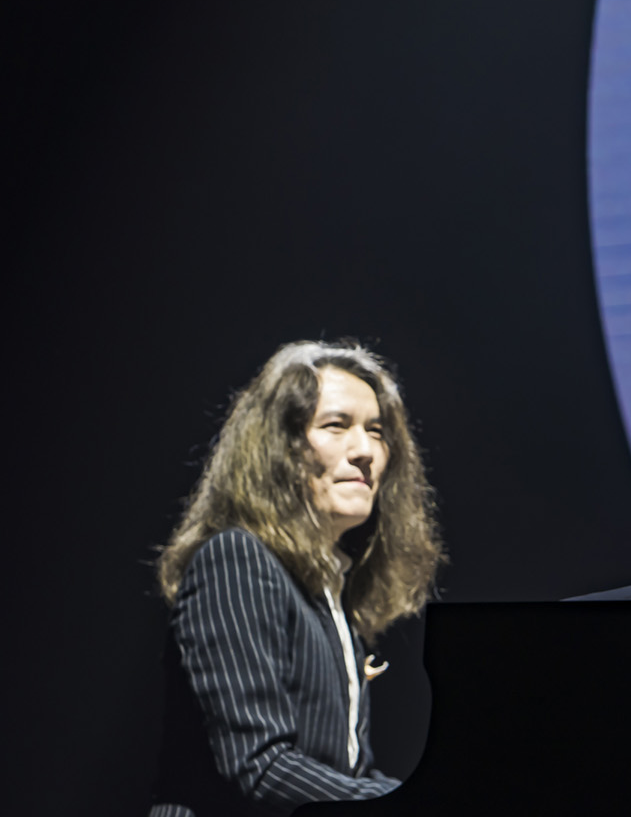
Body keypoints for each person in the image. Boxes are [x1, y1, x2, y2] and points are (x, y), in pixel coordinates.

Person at [149, 341, 443, 816]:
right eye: (336, 426)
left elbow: (349, 773)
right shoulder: (237, 560)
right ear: (280, 448)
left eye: (376, 431)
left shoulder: (332, 593)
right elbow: (260, 764)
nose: (365, 451)